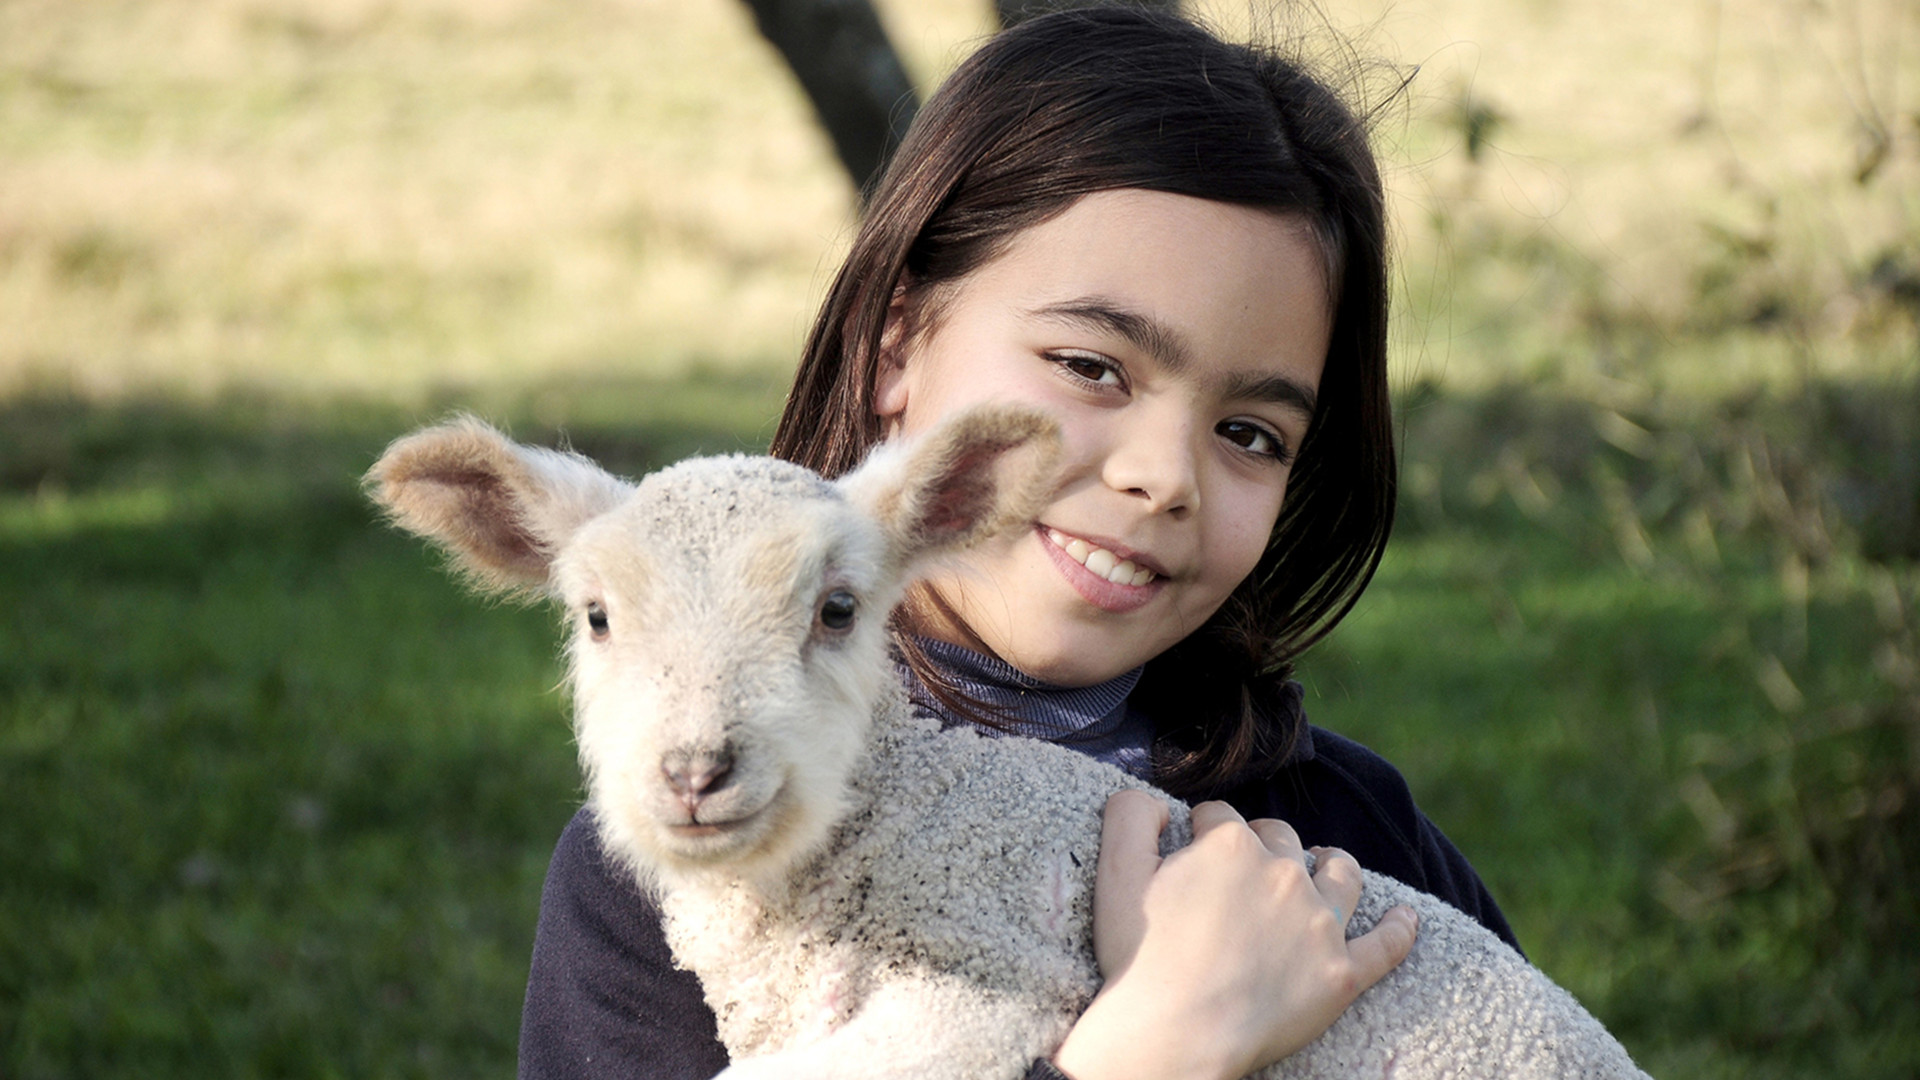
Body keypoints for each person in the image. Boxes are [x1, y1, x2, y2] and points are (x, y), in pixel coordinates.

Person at [518, 8, 1521, 1080]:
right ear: (896, 344)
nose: (1166, 476)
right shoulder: (694, 867)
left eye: (1248, 434)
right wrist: (1156, 1054)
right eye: (1091, 366)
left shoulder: (1340, 832)